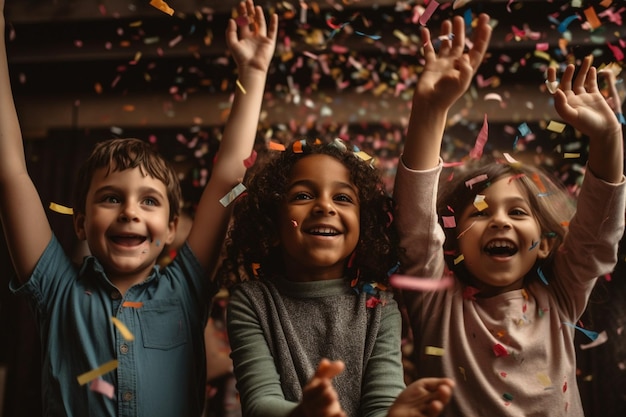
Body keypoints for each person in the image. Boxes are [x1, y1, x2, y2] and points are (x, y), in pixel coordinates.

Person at [0, 0, 277, 416]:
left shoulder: (186, 287)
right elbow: (11, 172)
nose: (130, 211)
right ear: (80, 221)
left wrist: (252, 74)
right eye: (111, 197)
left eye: (149, 201)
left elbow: (227, 180)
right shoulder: (58, 290)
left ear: (170, 227)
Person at [393, 11, 625, 415]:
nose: (499, 220)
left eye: (518, 212)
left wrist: (608, 137)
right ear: (451, 238)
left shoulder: (560, 298)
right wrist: (431, 108)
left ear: (546, 245)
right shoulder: (438, 304)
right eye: (480, 213)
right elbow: (415, 223)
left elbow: (596, 236)